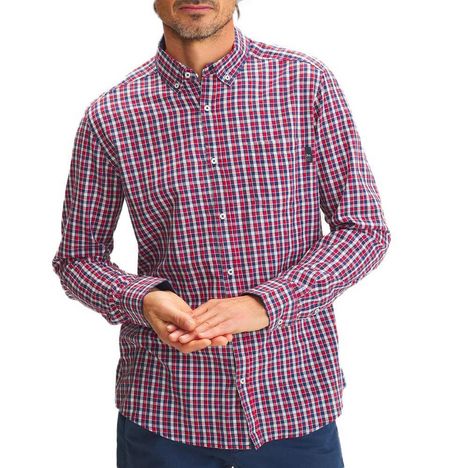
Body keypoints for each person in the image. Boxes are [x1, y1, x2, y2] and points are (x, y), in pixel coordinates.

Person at [51, 0, 391, 466]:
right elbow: (77, 259)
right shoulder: (110, 116)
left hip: (292, 400)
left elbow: (363, 228)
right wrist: (143, 299)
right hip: (164, 409)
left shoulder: (305, 84)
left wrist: (266, 303)